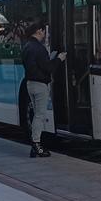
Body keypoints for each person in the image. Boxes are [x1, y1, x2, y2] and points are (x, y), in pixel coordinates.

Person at [20, 21, 65, 158]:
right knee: (39, 115)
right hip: (40, 85)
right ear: (38, 31)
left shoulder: (26, 47)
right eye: (43, 31)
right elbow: (48, 68)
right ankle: (37, 145)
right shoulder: (39, 48)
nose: (45, 34)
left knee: (36, 114)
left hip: (30, 84)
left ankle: (36, 143)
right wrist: (59, 59)